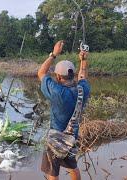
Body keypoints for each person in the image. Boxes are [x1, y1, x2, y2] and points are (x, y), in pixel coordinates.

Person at [38, 40, 91, 180]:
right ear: (72, 74)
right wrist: (83, 61)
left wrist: (54, 54)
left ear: (58, 77)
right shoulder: (83, 90)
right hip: (71, 138)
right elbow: (83, 76)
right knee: (72, 166)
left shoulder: (57, 91)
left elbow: (41, 72)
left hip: (56, 138)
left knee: (52, 171)